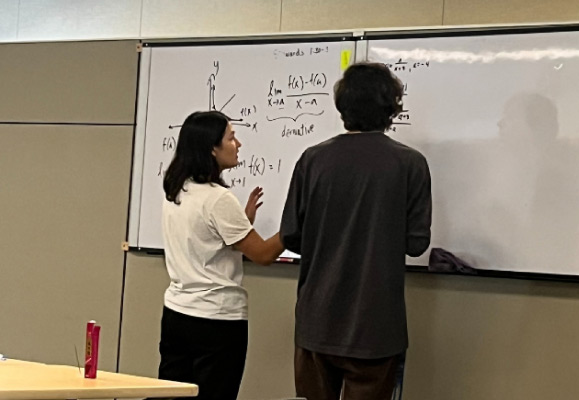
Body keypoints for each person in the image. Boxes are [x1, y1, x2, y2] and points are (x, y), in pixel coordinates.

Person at [280, 62, 432, 400]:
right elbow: (416, 243)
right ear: (392, 108)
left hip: (316, 320)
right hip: (376, 326)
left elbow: (291, 236)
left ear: (342, 107)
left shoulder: (312, 160)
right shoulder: (411, 164)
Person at [159, 110, 284, 400]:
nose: (237, 144)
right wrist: (297, 224)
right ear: (211, 148)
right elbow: (263, 255)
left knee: (173, 395)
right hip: (216, 323)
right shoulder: (218, 198)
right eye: (231, 137)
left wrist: (243, 221)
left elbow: (207, 242)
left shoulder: (178, 190)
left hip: (178, 315)